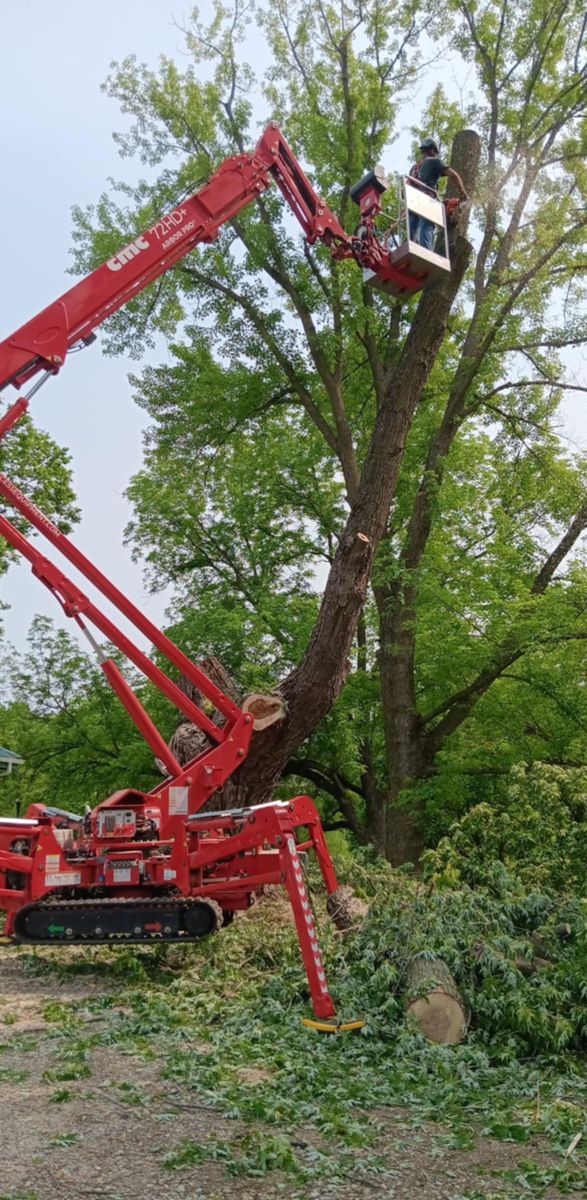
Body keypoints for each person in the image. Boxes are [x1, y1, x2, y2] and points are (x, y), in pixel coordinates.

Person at [407, 137, 468, 251]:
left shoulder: (414, 168)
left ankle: (412, 251)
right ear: (432, 150)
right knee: (426, 228)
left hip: (412, 201)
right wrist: (463, 193)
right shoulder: (434, 161)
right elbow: (453, 175)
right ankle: (426, 256)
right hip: (426, 200)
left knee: (411, 235)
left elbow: (407, 186)